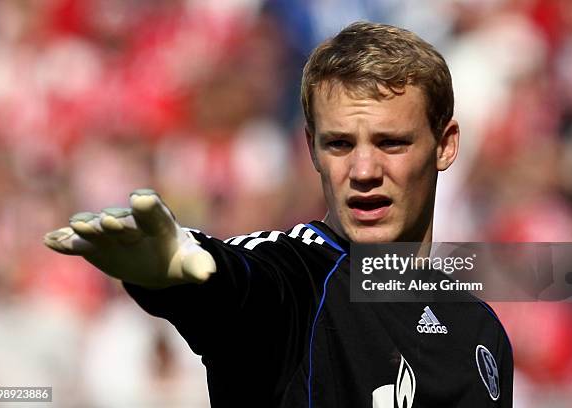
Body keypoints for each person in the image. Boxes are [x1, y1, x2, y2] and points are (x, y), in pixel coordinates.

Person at [45, 21, 513, 407]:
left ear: (445, 145)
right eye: (340, 144)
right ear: (310, 149)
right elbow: (236, 280)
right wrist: (180, 274)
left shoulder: (480, 334)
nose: (364, 170)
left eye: (391, 143)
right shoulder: (293, 281)